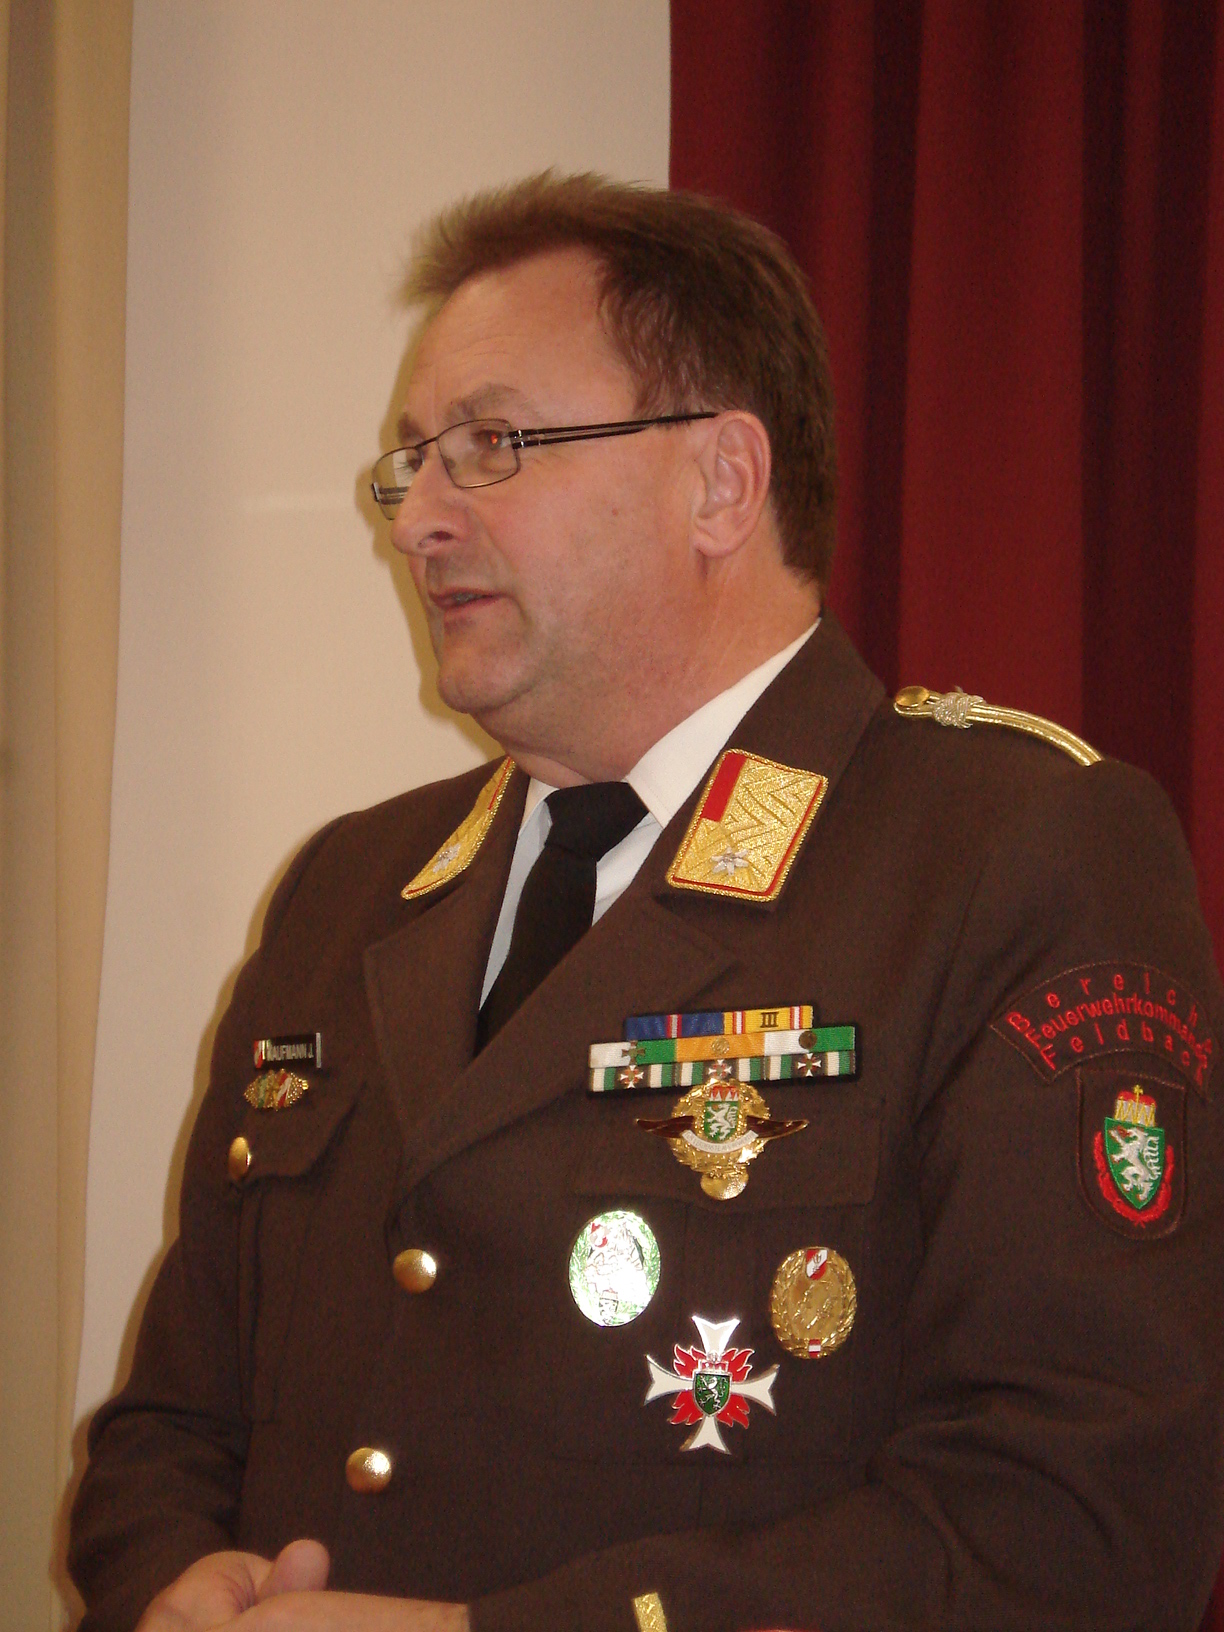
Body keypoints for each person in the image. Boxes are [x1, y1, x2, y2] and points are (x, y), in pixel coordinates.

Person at [69, 172, 1224, 1632]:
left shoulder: (1002, 853)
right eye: (411, 463)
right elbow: (168, 1429)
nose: (416, 522)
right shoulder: (348, 889)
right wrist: (172, 1586)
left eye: (492, 445)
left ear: (721, 483)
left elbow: (1083, 1517)